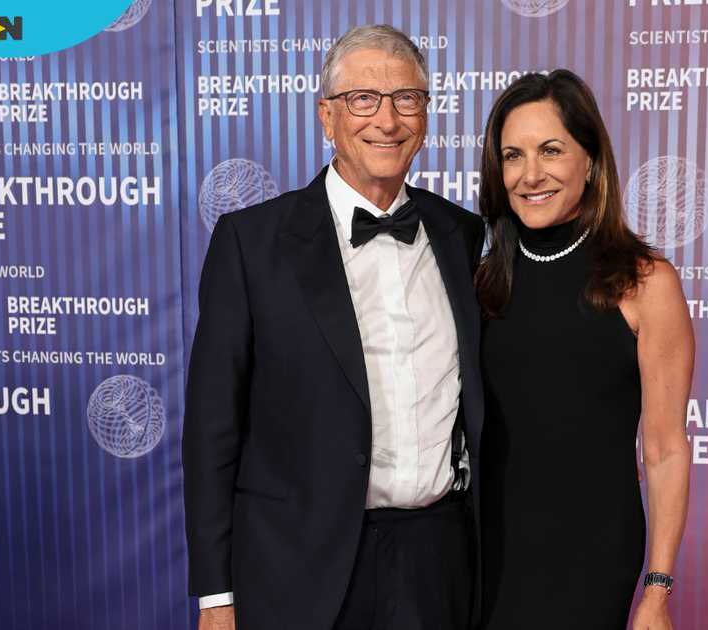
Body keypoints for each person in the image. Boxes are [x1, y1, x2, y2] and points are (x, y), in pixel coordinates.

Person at [183, 25, 486, 630]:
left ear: (426, 115)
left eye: (407, 98)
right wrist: (216, 595)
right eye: (363, 99)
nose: (387, 119)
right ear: (327, 117)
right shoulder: (251, 243)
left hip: (438, 559)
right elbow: (212, 429)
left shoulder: (464, 236)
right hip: (298, 566)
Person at [476, 70, 694, 630]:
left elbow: (666, 449)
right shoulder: (478, 284)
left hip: (592, 555)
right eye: (512, 156)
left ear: (591, 160)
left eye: (551, 150)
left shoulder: (645, 282)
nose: (530, 175)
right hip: (483, 556)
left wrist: (658, 589)